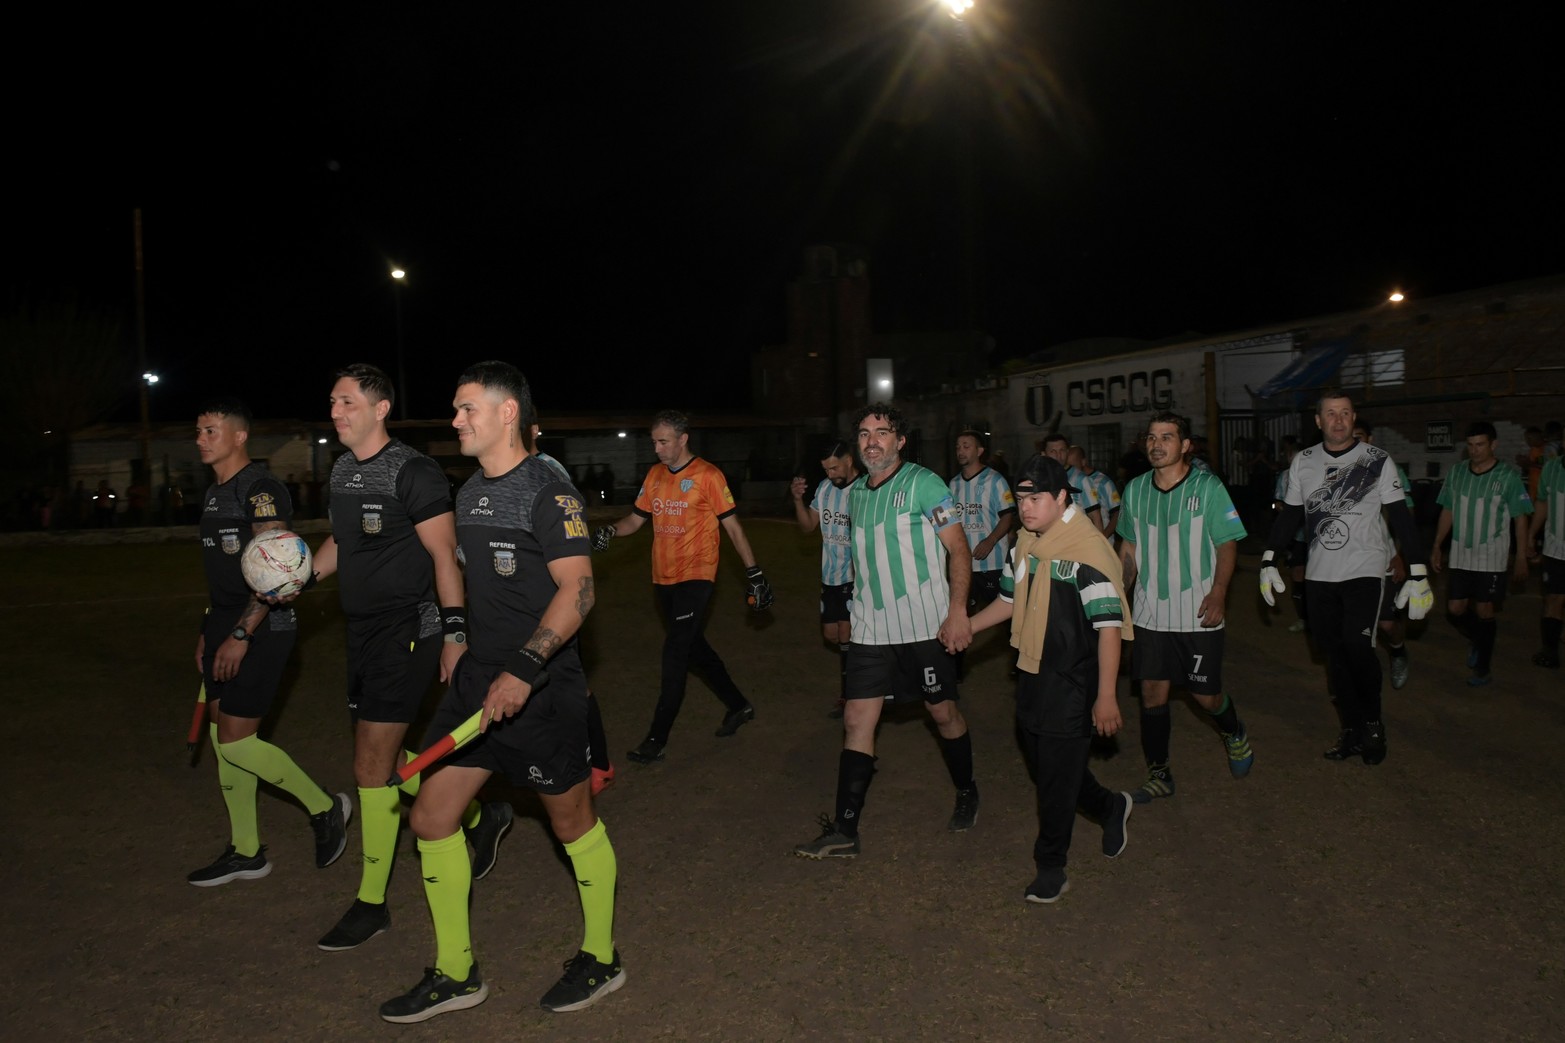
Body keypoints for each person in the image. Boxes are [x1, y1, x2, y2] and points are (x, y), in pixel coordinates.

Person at [379, 361, 622, 1023]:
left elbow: (579, 588)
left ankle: (601, 955)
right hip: (478, 684)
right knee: (430, 818)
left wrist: (523, 667)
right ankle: (457, 971)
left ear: (506, 412)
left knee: (572, 823)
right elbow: (474, 578)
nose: (455, 420)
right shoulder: (469, 493)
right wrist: (457, 638)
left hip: (541, 688)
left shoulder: (547, 490)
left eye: (465, 409)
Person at [307, 364, 511, 953]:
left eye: (347, 401)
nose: (336, 412)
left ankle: (371, 903)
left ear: (380, 408)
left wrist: (453, 632)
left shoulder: (414, 471)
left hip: (412, 629)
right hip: (361, 631)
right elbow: (341, 543)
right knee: (390, 754)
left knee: (370, 764)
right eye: (332, 401)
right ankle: (478, 815)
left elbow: (446, 557)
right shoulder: (343, 471)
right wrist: (297, 576)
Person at [794, 403, 979, 859]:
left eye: (881, 432)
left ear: (899, 440)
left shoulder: (924, 483)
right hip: (870, 629)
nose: (871, 440)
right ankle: (844, 829)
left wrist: (957, 612)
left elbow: (959, 549)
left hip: (924, 628)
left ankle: (967, 790)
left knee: (943, 715)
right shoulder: (856, 493)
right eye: (863, 433)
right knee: (857, 719)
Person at [187, 397, 350, 887]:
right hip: (223, 624)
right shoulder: (215, 494)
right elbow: (220, 575)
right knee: (223, 738)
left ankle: (325, 807)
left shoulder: (260, 490)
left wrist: (240, 633)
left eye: (211, 430)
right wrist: (208, 628)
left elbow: (279, 572)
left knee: (236, 740)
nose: (200, 438)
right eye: (199, 430)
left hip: (262, 627)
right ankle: (246, 851)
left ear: (240, 436)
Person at [967, 454, 1133, 903]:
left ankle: (1051, 867)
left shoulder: (1087, 552)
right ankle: (1111, 805)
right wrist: (968, 626)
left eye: (1036, 498)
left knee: (1056, 783)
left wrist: (1106, 697)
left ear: (1062, 497)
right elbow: (1007, 600)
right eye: (1020, 498)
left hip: (1076, 680)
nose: (1025, 507)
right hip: (1033, 671)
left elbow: (1110, 628)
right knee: (1051, 771)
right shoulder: (1025, 543)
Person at [592, 410, 773, 764]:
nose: (657, 448)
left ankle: (656, 739)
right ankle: (738, 705)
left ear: (683, 439)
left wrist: (754, 572)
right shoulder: (655, 475)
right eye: (654, 441)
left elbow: (733, 527)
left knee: (675, 652)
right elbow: (635, 520)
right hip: (663, 578)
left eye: (664, 441)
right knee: (694, 649)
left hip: (697, 575)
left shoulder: (708, 475)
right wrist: (610, 530)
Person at [1262, 390, 1432, 765]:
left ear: (1353, 418)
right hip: (1320, 575)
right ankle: (1352, 729)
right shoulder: (1303, 463)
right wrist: (1269, 559)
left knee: (1358, 648)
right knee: (1334, 657)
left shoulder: (1376, 460)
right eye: (1330, 414)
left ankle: (1372, 723)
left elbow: (1401, 517)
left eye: (1345, 413)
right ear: (1318, 421)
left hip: (1365, 571)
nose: (1338, 420)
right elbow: (1290, 516)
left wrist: (1417, 570)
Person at [1116, 413, 1252, 804]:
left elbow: (1227, 543)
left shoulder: (1208, 488)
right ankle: (1159, 774)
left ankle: (1233, 731)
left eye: (1168, 438)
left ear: (1185, 445)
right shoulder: (1135, 490)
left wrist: (1220, 591)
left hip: (1197, 611)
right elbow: (1128, 549)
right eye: (1152, 438)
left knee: (1205, 696)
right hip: (1150, 613)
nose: (1157, 445)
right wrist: (1120, 598)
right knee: (1152, 694)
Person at [1430, 421, 1533, 686]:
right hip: (1461, 555)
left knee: (1485, 609)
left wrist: (1521, 556)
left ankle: (1483, 668)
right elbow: (1448, 511)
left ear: (1493, 445)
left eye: (1480, 445)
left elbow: (1520, 518)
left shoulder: (1508, 476)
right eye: (1471, 445)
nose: (1475, 451)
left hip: (1492, 556)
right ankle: (1480, 640)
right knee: (1455, 609)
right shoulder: (1456, 473)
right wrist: (1437, 544)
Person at [791, 440, 860, 718]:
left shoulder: (865, 490)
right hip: (829, 577)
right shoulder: (824, 489)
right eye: (826, 470)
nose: (830, 474)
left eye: (834, 468)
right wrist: (797, 499)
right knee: (831, 635)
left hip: (855, 579)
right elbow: (808, 526)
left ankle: (851, 698)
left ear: (849, 460)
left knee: (847, 635)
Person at [949, 429, 1016, 679]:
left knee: (1009, 616)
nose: (961, 451)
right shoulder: (953, 484)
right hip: (963, 568)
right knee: (958, 617)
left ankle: (1020, 664)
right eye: (958, 446)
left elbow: (1008, 516)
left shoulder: (995, 480)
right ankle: (955, 672)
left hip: (993, 564)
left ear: (979, 451)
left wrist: (991, 539)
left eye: (966, 446)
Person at [1355, 421, 1414, 690]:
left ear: (1371, 437)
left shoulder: (1389, 469)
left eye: (1360, 436)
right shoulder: (1331, 472)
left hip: (1384, 559)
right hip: (1350, 563)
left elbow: (1405, 518)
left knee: (1387, 623)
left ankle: (1398, 651)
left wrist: (1400, 554)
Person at [1528, 451, 1563, 668]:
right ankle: (1550, 650)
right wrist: (1532, 534)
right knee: (1553, 598)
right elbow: (1542, 503)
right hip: (1556, 548)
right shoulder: (1551, 468)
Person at [1274, 439, 1308, 633]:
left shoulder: (1316, 475)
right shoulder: (1284, 477)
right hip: (1297, 537)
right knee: (1297, 575)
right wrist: (1284, 511)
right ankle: (1303, 617)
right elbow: (1277, 502)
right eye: (1291, 458)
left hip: (1319, 538)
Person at [1040, 434, 1102, 523]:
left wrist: (1099, 536)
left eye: (1062, 450)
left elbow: (1095, 515)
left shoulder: (1081, 479)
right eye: (1053, 451)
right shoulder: (1039, 479)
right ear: (1044, 454)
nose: (1058, 455)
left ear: (1067, 452)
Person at [1067, 444, 1119, 536]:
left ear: (1083, 462)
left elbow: (1117, 513)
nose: (1071, 469)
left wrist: (1103, 537)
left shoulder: (1103, 482)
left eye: (1073, 466)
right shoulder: (1069, 480)